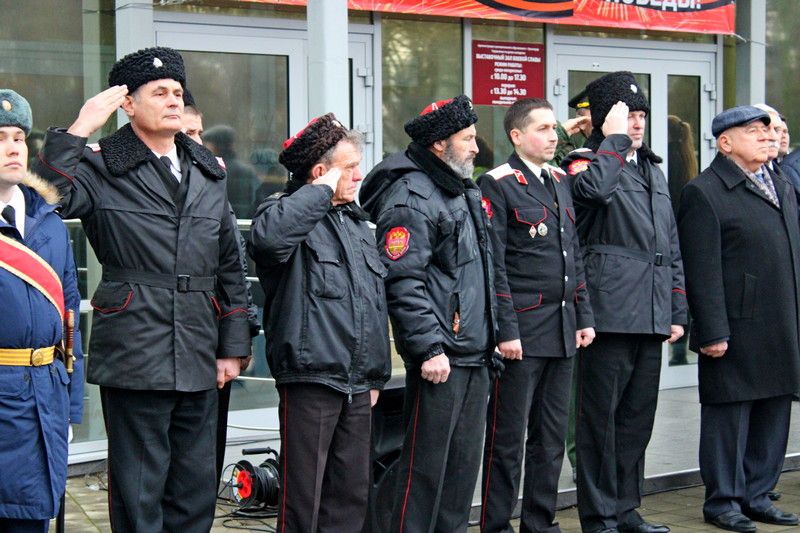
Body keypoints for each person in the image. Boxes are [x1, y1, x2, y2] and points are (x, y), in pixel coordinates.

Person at [32, 47, 251, 532]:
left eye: (177, 92)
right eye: (159, 93)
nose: (173, 100)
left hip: (199, 346)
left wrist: (232, 345)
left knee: (195, 490)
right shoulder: (101, 165)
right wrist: (80, 128)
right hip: (136, 346)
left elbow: (229, 265)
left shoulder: (207, 170)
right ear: (127, 104)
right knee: (139, 491)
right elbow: (43, 199)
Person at [360, 94, 498, 533]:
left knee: (460, 474)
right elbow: (403, 280)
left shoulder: (461, 188)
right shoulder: (412, 195)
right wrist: (428, 349)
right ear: (440, 144)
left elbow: (481, 272)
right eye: (468, 138)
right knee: (423, 474)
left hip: (474, 353)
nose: (476, 147)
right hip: (441, 359)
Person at [248, 113, 391, 532]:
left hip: (357, 383)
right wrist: (322, 191)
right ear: (320, 173)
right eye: (350, 168)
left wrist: (375, 376)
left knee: (349, 497)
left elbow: (372, 305)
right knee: (303, 499)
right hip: (311, 378)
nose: (359, 175)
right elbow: (268, 242)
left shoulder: (356, 224)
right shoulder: (281, 212)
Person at [561, 71, 688, 533]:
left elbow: (669, 245)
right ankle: (599, 517)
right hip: (608, 312)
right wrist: (610, 140)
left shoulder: (651, 169)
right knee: (598, 423)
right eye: (626, 115)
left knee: (636, 421)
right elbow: (593, 193)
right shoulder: (584, 162)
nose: (636, 124)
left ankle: (626, 509)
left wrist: (677, 309)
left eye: (641, 116)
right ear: (604, 119)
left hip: (650, 313)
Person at [678, 106, 800, 533]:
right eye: (754, 131)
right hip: (735, 325)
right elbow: (701, 269)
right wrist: (711, 330)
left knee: (773, 412)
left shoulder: (780, 184)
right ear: (725, 142)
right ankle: (723, 501)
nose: (767, 137)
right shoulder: (705, 191)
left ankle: (758, 495)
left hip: (781, 321)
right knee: (729, 417)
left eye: (769, 131)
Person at [477, 97, 595, 533]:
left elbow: (572, 254)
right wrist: (505, 330)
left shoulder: (560, 179)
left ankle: (540, 524)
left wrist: (584, 316)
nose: (552, 136)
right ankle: (496, 525)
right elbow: (496, 265)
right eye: (542, 129)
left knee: (550, 439)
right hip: (522, 334)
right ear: (516, 135)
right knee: (507, 440)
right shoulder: (498, 183)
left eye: (553, 128)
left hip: (562, 329)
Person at [0, 89, 84, 533]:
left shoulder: (48, 222)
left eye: (19, 137)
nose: (13, 147)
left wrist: (70, 407)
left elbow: (70, 321)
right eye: (0, 138)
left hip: (45, 396)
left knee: (33, 519)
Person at [180, 89, 260, 486]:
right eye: (187, 134)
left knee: (205, 463)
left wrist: (236, 342)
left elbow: (234, 270)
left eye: (199, 133)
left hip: (212, 339)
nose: (196, 142)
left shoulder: (215, 181)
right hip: (168, 345)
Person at [203, 124, 258, 217]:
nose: (205, 147)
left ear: (218, 145)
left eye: (208, 143)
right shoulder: (246, 170)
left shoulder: (211, 170)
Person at [552, 89, 592, 166]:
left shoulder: (613, 143)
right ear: (582, 122)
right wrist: (561, 133)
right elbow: (540, 165)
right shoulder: (568, 151)